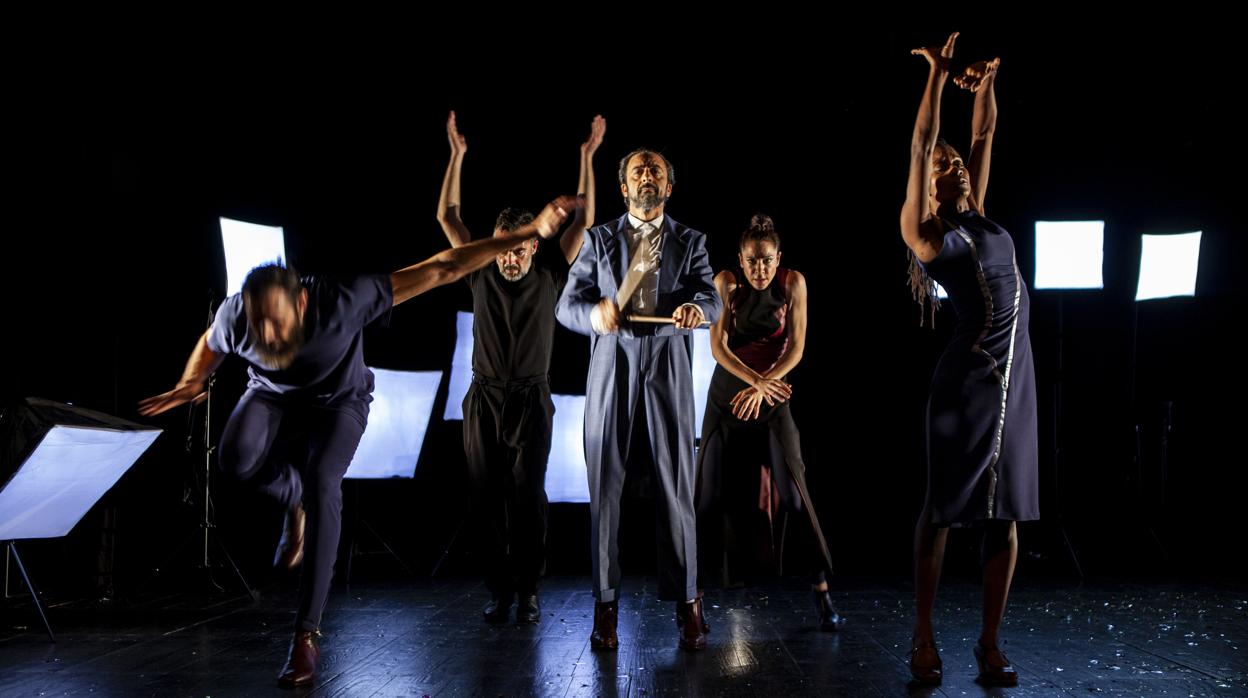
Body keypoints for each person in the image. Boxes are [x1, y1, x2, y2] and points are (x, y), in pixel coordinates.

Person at [139, 196, 577, 687]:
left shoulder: (344, 299)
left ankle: (305, 634)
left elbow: (444, 267)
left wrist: (528, 233)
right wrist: (190, 382)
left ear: (301, 304)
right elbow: (210, 343)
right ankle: (292, 499)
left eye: (276, 323)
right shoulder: (237, 313)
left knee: (323, 483)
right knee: (234, 459)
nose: (267, 335)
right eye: (258, 326)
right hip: (271, 394)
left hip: (339, 401)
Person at [900, 32, 1037, 687]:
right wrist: (938, 75)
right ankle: (923, 635)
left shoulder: (978, 211)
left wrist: (988, 82)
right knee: (943, 510)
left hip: (1016, 382)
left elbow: (984, 133)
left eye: (953, 161)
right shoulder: (928, 232)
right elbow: (921, 140)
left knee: (1005, 514)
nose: (951, 163)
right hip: (967, 384)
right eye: (941, 163)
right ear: (928, 183)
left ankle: (990, 643)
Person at [435, 111, 605, 624]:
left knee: (528, 497)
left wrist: (587, 156)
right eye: (502, 251)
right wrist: (457, 156)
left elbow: (583, 222)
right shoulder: (480, 271)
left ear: (532, 245)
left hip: (531, 399)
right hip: (484, 398)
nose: (509, 260)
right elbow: (448, 217)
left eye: (518, 251)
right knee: (483, 499)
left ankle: (528, 590)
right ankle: (500, 590)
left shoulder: (550, 274)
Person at [556, 147, 720, 651]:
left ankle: (688, 603)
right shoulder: (598, 239)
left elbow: (712, 297)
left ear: (668, 186)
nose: (646, 176)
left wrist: (698, 309)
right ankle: (605, 606)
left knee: (677, 482)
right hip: (613, 355)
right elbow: (567, 306)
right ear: (624, 187)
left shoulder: (691, 240)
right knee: (604, 482)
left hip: (668, 355)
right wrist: (594, 315)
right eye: (637, 171)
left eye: (655, 171)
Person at [694, 214, 842, 630]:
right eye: (752, 261)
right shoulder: (726, 283)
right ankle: (693, 600)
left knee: (795, 496)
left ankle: (822, 592)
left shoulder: (793, 283)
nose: (759, 269)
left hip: (772, 400)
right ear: (740, 260)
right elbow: (718, 349)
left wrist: (763, 388)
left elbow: (796, 349)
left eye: (766, 260)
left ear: (778, 259)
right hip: (727, 400)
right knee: (707, 499)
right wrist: (755, 381)